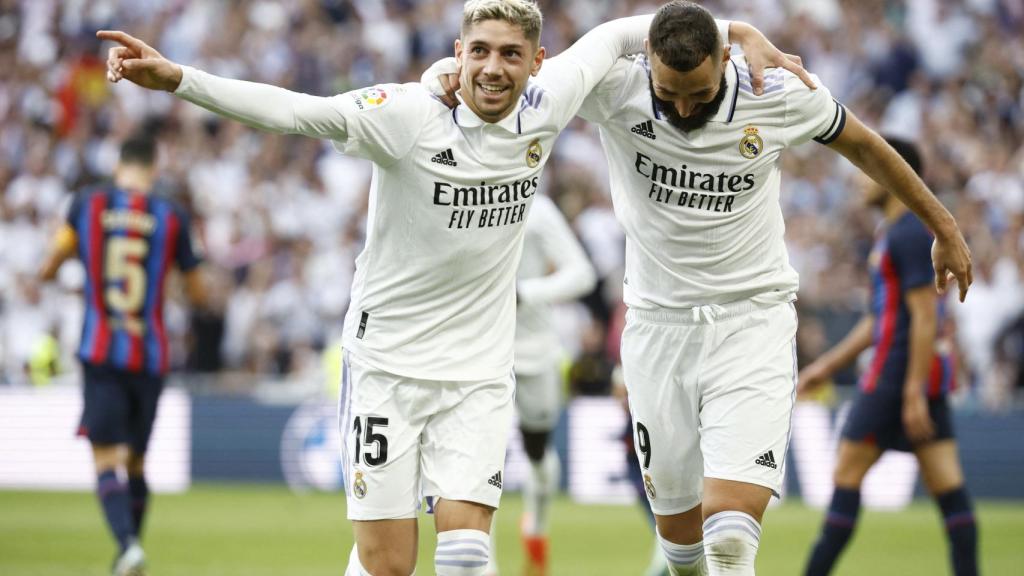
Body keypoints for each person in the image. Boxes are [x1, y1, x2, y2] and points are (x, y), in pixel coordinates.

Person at [98, 2, 806, 574]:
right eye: (478, 50)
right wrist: (181, 80)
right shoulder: (404, 114)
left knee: (466, 555)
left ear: (537, 63)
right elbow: (293, 110)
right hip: (386, 369)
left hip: (476, 376)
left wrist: (740, 32)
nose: (493, 67)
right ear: (458, 53)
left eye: (509, 54)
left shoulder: (550, 103)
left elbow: (631, 30)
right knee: (388, 565)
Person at [416, 1, 977, 574]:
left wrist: (943, 224)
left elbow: (865, 144)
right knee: (682, 549)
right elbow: (517, 76)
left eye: (700, 95)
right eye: (669, 94)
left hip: (751, 321)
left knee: (731, 539)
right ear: (647, 66)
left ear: (725, 61)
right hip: (657, 331)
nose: (683, 108)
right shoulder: (614, 88)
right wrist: (444, 73)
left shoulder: (774, 91)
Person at [798, 138, 978, 576]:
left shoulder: (910, 233)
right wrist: (826, 367)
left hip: (895, 377)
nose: (861, 179)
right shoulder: (895, 233)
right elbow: (882, 318)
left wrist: (911, 390)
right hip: (918, 376)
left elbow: (924, 316)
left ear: (893, 172)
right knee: (949, 490)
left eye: (868, 168)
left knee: (845, 475)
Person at [39, 135, 206, 576]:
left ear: (119, 164)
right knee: (135, 462)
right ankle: (127, 553)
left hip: (101, 350)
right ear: (154, 167)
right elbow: (199, 291)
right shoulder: (172, 215)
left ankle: (128, 546)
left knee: (106, 459)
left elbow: (50, 264)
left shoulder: (86, 204)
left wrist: (72, 263)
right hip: (150, 355)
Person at [486, 193, 595, 576]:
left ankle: (536, 526)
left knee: (538, 452)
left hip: (534, 349)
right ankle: (484, 563)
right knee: (482, 458)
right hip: (480, 349)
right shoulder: (457, 189)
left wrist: (525, 293)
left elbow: (582, 273)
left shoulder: (537, 206)